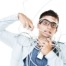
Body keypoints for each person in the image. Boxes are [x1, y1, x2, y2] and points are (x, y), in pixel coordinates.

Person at [0, 10, 66, 66]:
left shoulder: (63, 49)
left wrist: (49, 54)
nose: (49, 27)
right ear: (38, 25)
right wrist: (18, 16)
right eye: (45, 23)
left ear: (56, 30)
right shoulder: (21, 43)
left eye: (53, 25)